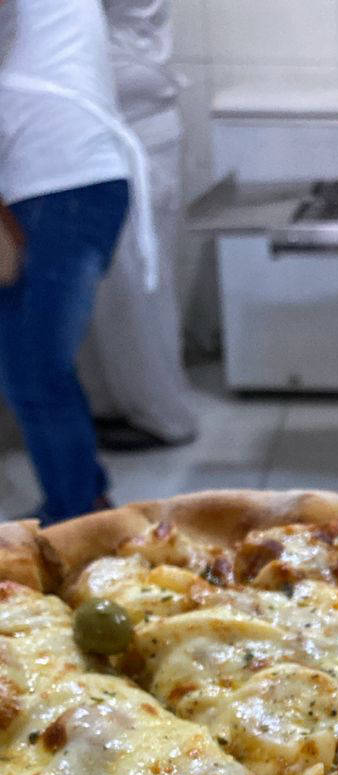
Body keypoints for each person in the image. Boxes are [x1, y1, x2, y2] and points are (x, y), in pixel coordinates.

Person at [0, 0, 154, 524]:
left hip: (64, 184)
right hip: (55, 180)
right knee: (30, 369)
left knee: (35, 371)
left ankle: (74, 520)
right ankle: (80, 506)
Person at [81, 0, 197, 450]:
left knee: (136, 285)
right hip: (106, 122)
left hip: (135, 126)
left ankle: (163, 417)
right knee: (106, 285)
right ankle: (112, 405)